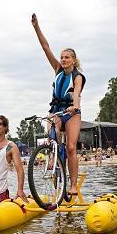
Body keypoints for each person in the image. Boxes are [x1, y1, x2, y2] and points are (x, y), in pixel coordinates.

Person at [31, 13, 86, 196]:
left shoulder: (77, 76)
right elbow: (45, 47)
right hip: (56, 111)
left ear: (74, 60)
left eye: (67, 57)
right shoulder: (57, 69)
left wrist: (75, 106)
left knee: (71, 147)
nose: (63, 59)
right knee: (53, 138)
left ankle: (72, 185)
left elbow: (76, 93)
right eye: (62, 57)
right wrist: (36, 27)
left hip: (72, 112)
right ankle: (54, 161)